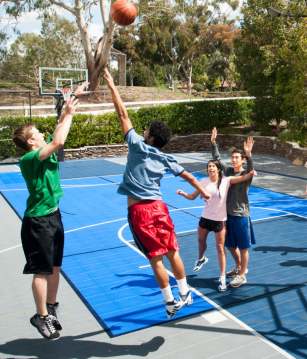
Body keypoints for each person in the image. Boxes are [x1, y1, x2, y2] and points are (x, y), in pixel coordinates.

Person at [103, 69, 211, 319]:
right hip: (160, 208)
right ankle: (185, 293)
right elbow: (190, 177)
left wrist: (112, 86)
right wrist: (203, 192)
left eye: (147, 130)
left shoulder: (136, 145)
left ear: (150, 137)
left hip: (140, 211)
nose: (143, 132)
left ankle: (170, 301)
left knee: (156, 260)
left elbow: (122, 113)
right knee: (174, 253)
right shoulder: (165, 158)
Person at [11, 82, 87, 339]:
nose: (42, 133)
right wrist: (69, 114)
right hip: (38, 222)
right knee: (41, 271)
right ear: (31, 141)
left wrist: (68, 108)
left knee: (55, 268)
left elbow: (56, 133)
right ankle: (40, 316)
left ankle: (51, 308)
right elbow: (59, 139)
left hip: (53, 216)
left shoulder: (43, 153)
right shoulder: (29, 158)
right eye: (37, 133)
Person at [176, 160, 256, 292]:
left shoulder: (226, 180)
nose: (211, 168)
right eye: (209, 166)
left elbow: (244, 177)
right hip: (206, 217)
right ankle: (201, 258)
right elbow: (192, 196)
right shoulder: (204, 181)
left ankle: (223, 278)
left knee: (220, 248)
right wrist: (184, 193)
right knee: (200, 240)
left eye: (213, 166)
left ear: (218, 169)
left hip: (220, 219)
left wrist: (251, 170)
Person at [210, 127, 255, 288]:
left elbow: (251, 169)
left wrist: (249, 155)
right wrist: (214, 143)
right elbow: (217, 159)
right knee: (229, 245)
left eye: (237, 157)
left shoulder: (246, 175)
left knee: (243, 247)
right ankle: (238, 267)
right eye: (233, 157)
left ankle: (243, 275)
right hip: (227, 215)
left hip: (241, 215)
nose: (234, 159)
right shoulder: (228, 171)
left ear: (242, 160)